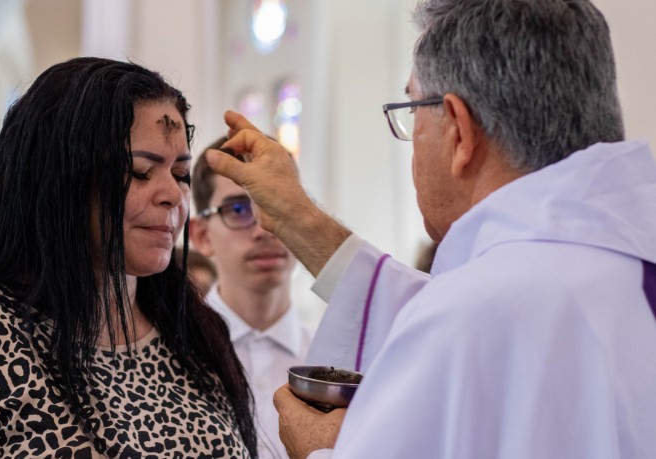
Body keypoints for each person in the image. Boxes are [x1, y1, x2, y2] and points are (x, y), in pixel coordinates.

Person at [203, 0, 656, 457]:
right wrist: (297, 216)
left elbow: (467, 322)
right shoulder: (610, 263)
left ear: (458, 130)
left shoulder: (482, 308)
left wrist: (321, 450)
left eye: (412, 111)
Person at [0, 57, 256, 458]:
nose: (172, 196)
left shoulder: (193, 331)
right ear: (62, 179)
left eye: (180, 174)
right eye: (140, 171)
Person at [189, 137, 312, 459]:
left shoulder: (335, 358)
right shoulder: (172, 354)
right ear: (202, 236)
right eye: (239, 209)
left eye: (277, 204)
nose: (264, 229)